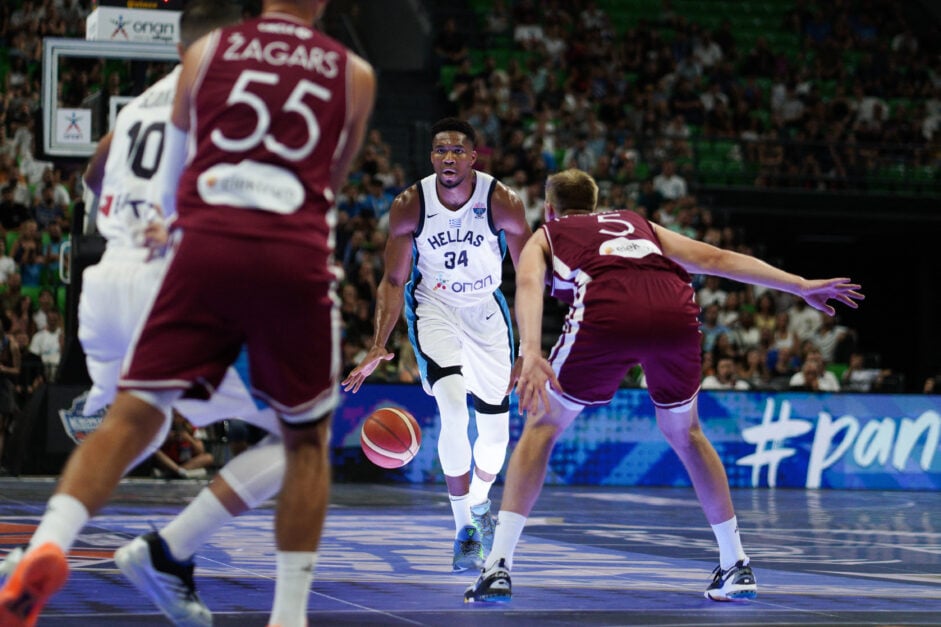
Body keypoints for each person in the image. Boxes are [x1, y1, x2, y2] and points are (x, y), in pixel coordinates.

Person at [0, 2, 376, 626]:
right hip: (286, 256)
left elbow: (146, 172)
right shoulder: (354, 72)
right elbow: (331, 180)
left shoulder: (202, 60)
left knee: (133, 415)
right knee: (301, 442)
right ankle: (283, 614)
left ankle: (48, 544)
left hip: (147, 264)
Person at [464, 169, 863, 604]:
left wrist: (532, 351)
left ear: (551, 207)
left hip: (607, 312)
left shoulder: (547, 233)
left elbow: (526, 284)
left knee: (542, 427)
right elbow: (715, 259)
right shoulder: (639, 223)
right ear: (596, 205)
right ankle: (736, 565)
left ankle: (497, 566)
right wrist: (799, 285)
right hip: (675, 310)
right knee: (687, 433)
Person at [342, 117, 531, 572]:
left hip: (486, 310)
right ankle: (465, 529)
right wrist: (378, 343)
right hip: (435, 306)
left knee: (494, 435)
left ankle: (481, 503)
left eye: (457, 151)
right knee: (451, 407)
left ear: (472, 157)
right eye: (440, 151)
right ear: (432, 158)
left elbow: (528, 276)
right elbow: (393, 279)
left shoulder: (502, 202)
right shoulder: (411, 205)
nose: (448, 158)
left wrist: (529, 349)